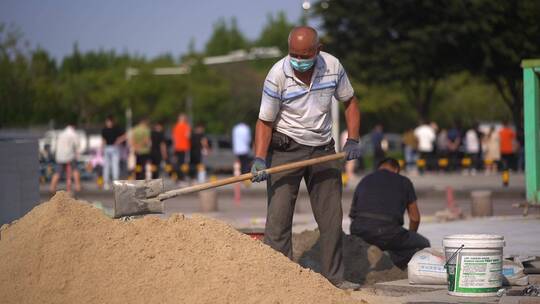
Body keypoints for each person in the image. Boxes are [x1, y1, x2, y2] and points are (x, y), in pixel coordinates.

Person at [250, 26, 362, 290]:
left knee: (331, 218)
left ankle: (334, 278)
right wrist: (259, 158)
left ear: (317, 50)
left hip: (323, 149)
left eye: (304, 54)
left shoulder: (333, 66)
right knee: (277, 220)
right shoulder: (278, 74)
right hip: (286, 149)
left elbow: (351, 101)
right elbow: (265, 122)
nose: (298, 60)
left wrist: (354, 137)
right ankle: (279, 282)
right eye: (293, 54)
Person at [349, 158, 430, 269]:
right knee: (423, 245)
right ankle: (389, 259)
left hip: (360, 230)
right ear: (396, 169)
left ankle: (369, 255)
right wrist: (410, 237)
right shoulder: (404, 182)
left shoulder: (365, 180)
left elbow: (353, 214)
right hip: (388, 232)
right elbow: (415, 218)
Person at [49, 123, 81, 193]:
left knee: (57, 172)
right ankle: (77, 186)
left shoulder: (61, 134)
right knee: (75, 169)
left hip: (59, 156)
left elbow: (54, 147)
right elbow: (77, 145)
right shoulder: (73, 134)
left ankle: (52, 187)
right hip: (69, 156)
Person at [101, 115, 126, 189]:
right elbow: (103, 140)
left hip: (114, 147)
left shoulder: (116, 129)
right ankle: (106, 183)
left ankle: (115, 182)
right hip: (107, 148)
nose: (108, 123)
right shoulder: (105, 129)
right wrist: (102, 148)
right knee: (106, 166)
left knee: (115, 165)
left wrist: (118, 141)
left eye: (108, 121)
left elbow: (125, 135)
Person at [173, 113, 191, 181]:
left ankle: (178, 177)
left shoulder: (176, 126)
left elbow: (174, 138)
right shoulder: (186, 126)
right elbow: (188, 136)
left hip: (177, 147)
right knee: (183, 163)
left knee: (178, 163)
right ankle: (182, 178)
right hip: (184, 147)